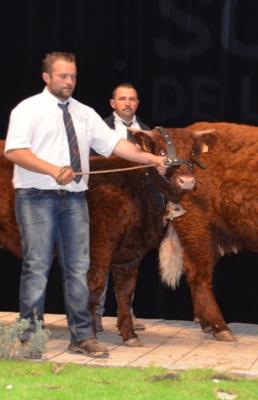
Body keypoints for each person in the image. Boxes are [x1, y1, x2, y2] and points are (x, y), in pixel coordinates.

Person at [4, 51, 167, 358]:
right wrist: (52, 170)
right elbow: (14, 151)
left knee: (79, 268)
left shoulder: (84, 113)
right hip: (36, 197)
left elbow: (115, 145)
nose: (69, 82)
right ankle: (29, 338)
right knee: (37, 267)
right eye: (63, 76)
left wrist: (150, 158)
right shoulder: (28, 109)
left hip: (75, 199)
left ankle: (81, 336)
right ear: (47, 77)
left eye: (74, 76)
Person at [94, 83, 150, 332]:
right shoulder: (98, 129)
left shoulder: (149, 133)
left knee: (128, 260)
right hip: (103, 207)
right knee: (100, 259)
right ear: (112, 103)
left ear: (137, 103)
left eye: (132, 99)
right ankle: (94, 314)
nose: (127, 103)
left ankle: (127, 314)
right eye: (122, 99)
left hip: (134, 208)